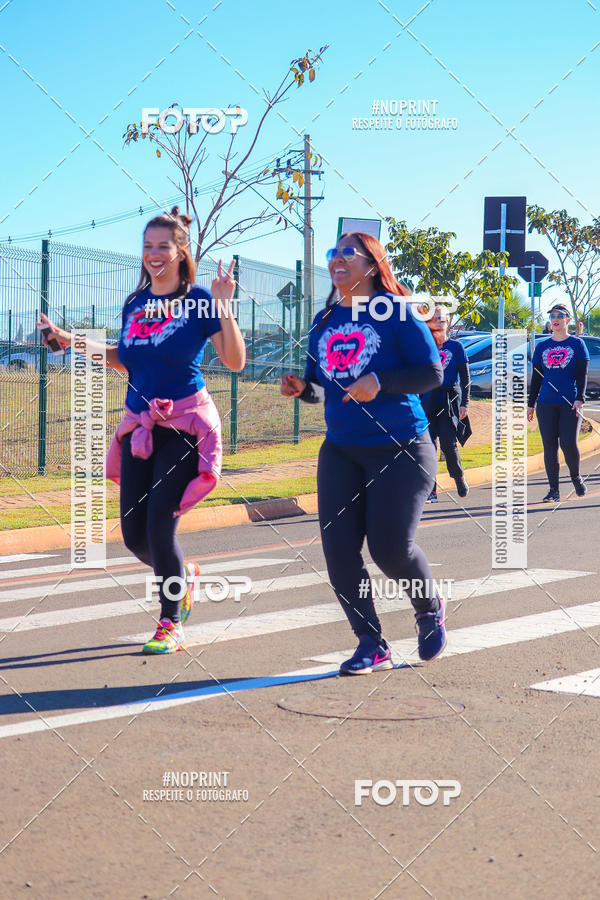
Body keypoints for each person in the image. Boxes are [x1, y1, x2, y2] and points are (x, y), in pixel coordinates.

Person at [37, 207, 245, 653]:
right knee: (134, 535)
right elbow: (123, 356)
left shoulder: (201, 300)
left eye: (163, 246)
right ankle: (181, 578)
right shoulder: (136, 302)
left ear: (180, 251)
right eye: (148, 246)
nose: (154, 254)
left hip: (185, 426)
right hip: (139, 427)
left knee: (160, 524)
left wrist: (226, 305)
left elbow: (235, 361)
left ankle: (171, 622)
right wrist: (67, 340)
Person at [281, 232, 447, 674]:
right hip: (341, 449)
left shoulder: (395, 313)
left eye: (347, 254)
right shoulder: (324, 320)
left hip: (402, 446)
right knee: (338, 551)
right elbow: (324, 391)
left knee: (390, 549)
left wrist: (382, 382)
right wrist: (302, 390)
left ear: (372, 265)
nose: (336, 260)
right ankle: (371, 644)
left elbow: (431, 372)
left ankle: (428, 607)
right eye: (333, 254)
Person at [527, 303, 589, 502]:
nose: (555, 319)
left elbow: (582, 374)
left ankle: (576, 478)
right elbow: (536, 377)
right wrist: (531, 403)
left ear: (567, 320)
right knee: (549, 446)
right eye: (552, 315)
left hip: (569, 402)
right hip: (546, 403)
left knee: (569, 443)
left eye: (559, 316)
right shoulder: (542, 346)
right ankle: (553, 490)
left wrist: (580, 398)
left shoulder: (577, 345)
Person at [421, 306, 471, 502]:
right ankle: (431, 490)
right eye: (434, 319)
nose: (438, 322)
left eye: (442, 319)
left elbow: (466, 378)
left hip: (449, 401)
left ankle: (458, 477)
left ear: (448, 322)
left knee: (449, 445)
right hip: (428, 400)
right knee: (428, 446)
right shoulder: (425, 347)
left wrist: (465, 403)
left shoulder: (456, 347)